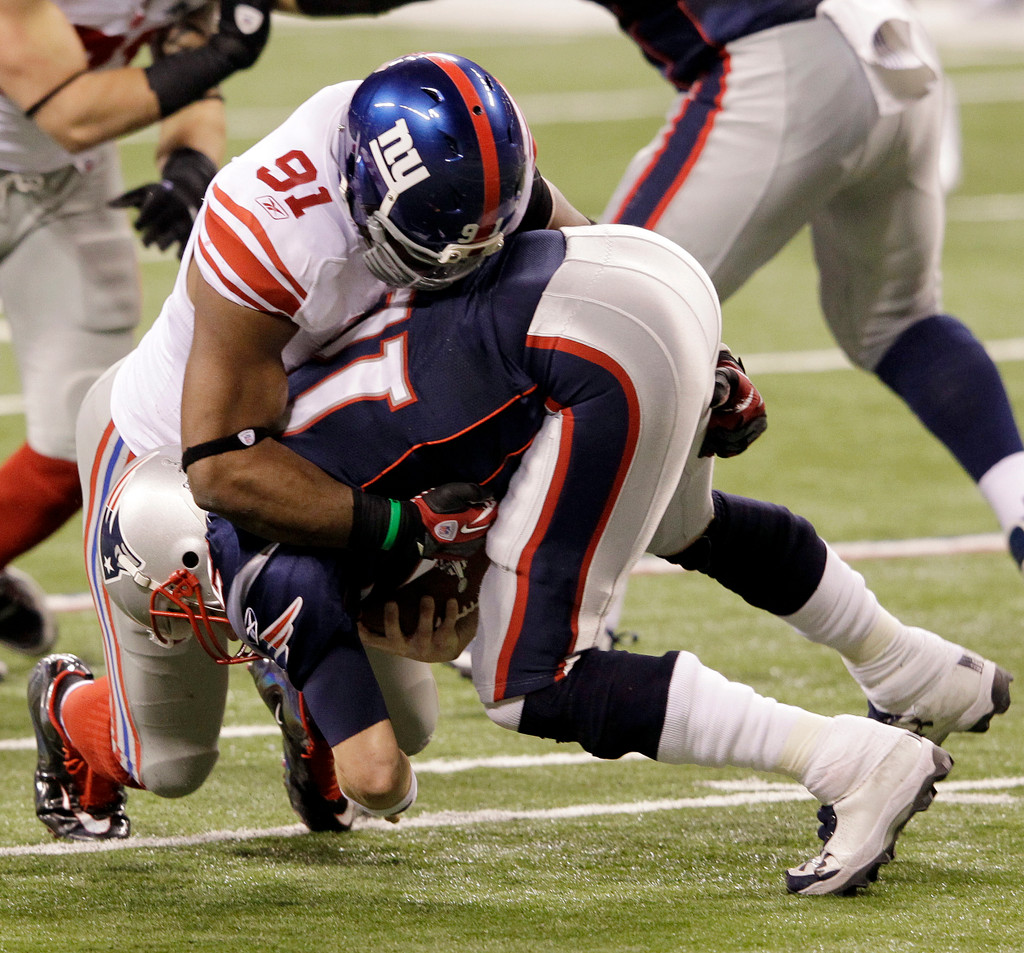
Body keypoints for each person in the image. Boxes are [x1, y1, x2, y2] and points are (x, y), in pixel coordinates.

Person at [204, 219, 1009, 897]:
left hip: (588, 352)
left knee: (526, 681)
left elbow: (378, 778)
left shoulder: (253, 554)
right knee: (683, 524)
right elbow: (460, 455)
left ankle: (850, 760)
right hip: (631, 268)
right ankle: (905, 663)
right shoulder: (288, 415)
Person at [27, 51, 590, 840]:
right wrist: (403, 533)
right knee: (167, 759)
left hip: (322, 451)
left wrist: (702, 363)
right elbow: (222, 470)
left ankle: (302, 702)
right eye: (434, 251)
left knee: (409, 722)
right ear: (361, 196)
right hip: (173, 467)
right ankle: (66, 710)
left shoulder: (457, 173)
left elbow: (591, 274)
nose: (455, 271)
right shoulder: (269, 230)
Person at [589, 0, 1024, 571]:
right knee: (900, 322)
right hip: (889, 40)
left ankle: (574, 624)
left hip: (780, 60)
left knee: (600, 316)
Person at [0, 0, 276, 660]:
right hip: (64, 132)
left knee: (78, 436)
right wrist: (224, 52)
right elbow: (70, 110)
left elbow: (186, 53)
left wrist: (188, 165)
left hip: (66, 182)